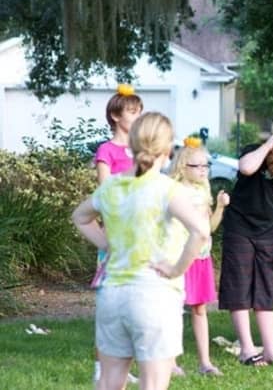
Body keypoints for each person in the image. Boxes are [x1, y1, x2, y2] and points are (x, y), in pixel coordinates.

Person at [72, 112, 210, 390]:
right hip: (155, 295)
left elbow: (79, 217)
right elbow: (201, 230)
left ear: (131, 144)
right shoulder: (167, 189)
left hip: (111, 295)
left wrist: (107, 244)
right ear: (168, 149)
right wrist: (175, 269)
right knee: (153, 384)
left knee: (109, 381)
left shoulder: (111, 186)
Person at [218, 135, 273, 366]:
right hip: (238, 227)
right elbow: (245, 168)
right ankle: (247, 349)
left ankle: (271, 350)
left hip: (265, 232)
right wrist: (268, 145)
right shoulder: (256, 154)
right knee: (239, 284)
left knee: (265, 288)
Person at [92, 83, 143, 384]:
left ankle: (125, 365)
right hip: (116, 232)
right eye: (132, 112)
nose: (137, 117)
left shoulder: (141, 151)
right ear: (115, 116)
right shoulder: (106, 151)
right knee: (109, 303)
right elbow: (104, 193)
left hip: (140, 233)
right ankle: (102, 364)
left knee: (134, 301)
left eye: (140, 112)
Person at [169, 137, 230, 376]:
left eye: (206, 166)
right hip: (181, 257)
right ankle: (171, 362)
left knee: (199, 309)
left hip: (202, 258)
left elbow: (209, 228)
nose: (204, 170)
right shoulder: (176, 191)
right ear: (183, 166)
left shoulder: (204, 190)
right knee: (174, 309)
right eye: (198, 166)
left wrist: (220, 208)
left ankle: (205, 362)